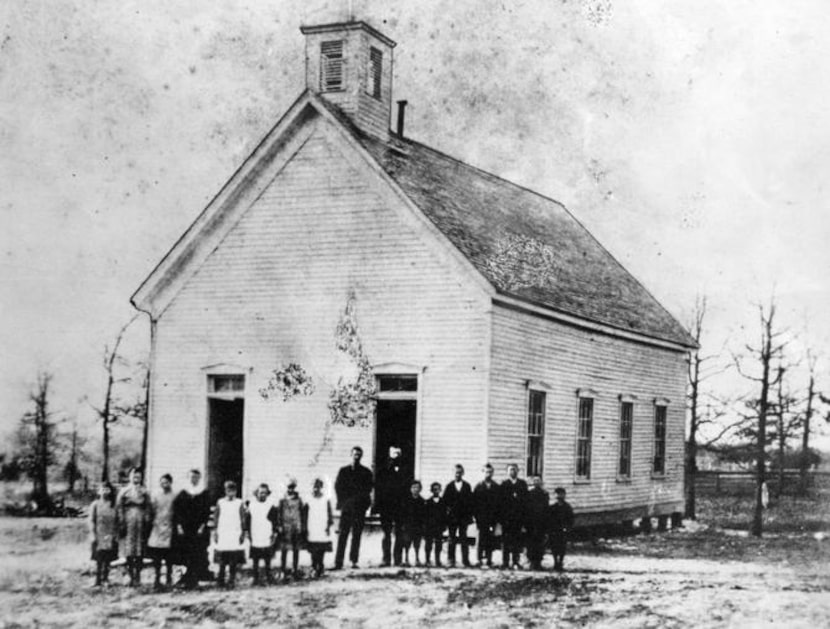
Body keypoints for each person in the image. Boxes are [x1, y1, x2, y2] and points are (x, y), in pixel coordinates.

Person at [333, 446, 373, 570]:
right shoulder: (343, 471)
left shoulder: (366, 472)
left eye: (359, 455)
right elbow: (338, 487)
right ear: (351, 455)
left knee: (356, 535)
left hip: (359, 509)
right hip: (347, 508)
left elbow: (368, 490)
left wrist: (363, 505)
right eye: (355, 454)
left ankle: (353, 561)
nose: (356, 457)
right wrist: (344, 503)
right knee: (343, 534)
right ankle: (338, 562)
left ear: (361, 456)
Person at [173, 468, 212, 589]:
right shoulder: (183, 493)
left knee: (198, 551)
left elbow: (205, 512)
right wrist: (179, 526)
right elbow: (177, 511)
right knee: (185, 551)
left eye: (196, 477)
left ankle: (195, 577)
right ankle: (185, 576)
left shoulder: (203, 494)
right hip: (186, 527)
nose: (193, 479)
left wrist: (202, 526)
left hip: (198, 528)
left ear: (199, 479)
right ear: (188, 478)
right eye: (191, 477)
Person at [374, 446, 408, 567]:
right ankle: (386, 559)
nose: (396, 456)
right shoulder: (383, 471)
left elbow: (407, 489)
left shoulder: (406, 471)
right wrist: (378, 506)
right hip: (387, 506)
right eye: (394, 454)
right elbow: (378, 489)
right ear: (389, 455)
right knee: (386, 533)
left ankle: (398, 559)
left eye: (399, 454)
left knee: (399, 533)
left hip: (400, 507)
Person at [117, 467, 151, 586]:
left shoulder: (144, 491)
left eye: (138, 476)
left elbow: (148, 506)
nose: (136, 478)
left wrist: (147, 519)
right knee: (130, 549)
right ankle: (131, 575)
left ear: (141, 478)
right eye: (134, 476)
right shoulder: (124, 491)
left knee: (140, 549)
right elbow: (119, 507)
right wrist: (121, 522)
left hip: (141, 520)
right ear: (130, 477)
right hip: (128, 519)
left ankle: (138, 575)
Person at [213, 480, 246, 588]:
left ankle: (231, 579)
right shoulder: (220, 502)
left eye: (233, 490)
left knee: (233, 558)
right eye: (228, 490)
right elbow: (216, 518)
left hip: (235, 532)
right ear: (225, 491)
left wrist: (242, 533)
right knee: (222, 558)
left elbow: (242, 518)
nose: (231, 493)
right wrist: (215, 532)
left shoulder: (239, 503)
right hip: (223, 532)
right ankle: (221, 579)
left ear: (236, 491)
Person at [147, 473, 176, 590]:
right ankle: (157, 580)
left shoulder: (174, 496)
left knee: (169, 556)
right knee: (157, 555)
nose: (164, 485)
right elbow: (151, 510)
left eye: (167, 482)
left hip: (170, 526)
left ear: (170, 483)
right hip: (157, 526)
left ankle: (169, 578)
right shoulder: (155, 495)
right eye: (162, 482)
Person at [443, 464, 474, 568]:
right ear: (453, 473)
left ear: (463, 473)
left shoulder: (467, 486)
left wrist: (469, 516)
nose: (457, 474)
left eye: (460, 472)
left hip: (463, 517)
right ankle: (451, 560)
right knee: (451, 539)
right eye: (456, 472)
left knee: (463, 538)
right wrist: (447, 515)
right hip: (452, 517)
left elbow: (470, 503)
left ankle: (465, 560)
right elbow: (445, 502)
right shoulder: (449, 486)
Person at [88, 481, 119, 587]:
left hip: (110, 534)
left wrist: (115, 534)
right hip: (99, 534)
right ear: (99, 491)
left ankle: (106, 578)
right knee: (99, 558)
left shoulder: (113, 505)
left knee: (108, 558)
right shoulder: (95, 505)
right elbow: (91, 520)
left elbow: (117, 521)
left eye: (107, 489)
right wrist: (93, 534)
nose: (105, 492)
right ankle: (97, 579)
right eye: (103, 489)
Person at [248, 483, 279, 585]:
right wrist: (247, 533)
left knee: (267, 558)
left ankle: (268, 576)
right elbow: (248, 520)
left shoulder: (271, 506)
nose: (263, 495)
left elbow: (275, 521)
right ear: (257, 493)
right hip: (255, 533)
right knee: (255, 558)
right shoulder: (251, 505)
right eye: (261, 493)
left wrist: (274, 533)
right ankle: (256, 577)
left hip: (266, 533)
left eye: (265, 493)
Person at [500, 463, 528, 570]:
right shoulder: (504, 485)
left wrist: (523, 519)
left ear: (518, 471)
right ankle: (505, 562)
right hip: (507, 519)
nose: (513, 472)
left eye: (515, 470)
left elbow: (525, 503)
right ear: (507, 472)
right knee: (506, 542)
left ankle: (516, 561)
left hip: (518, 519)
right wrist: (502, 519)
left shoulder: (522, 484)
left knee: (517, 541)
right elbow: (500, 503)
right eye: (511, 470)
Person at [473, 463, 500, 568]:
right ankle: (478, 559)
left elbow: (498, 504)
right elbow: (474, 503)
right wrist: (476, 517)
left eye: (490, 472)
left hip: (492, 518)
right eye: (486, 472)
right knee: (480, 538)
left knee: (490, 539)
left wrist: (496, 518)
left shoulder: (496, 487)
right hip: (481, 518)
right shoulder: (478, 487)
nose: (488, 474)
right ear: (482, 472)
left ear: (492, 473)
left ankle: (489, 559)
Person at [277, 478, 305, 580]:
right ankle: (283, 569)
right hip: (285, 527)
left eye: (292, 487)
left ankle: (295, 569)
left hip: (296, 526)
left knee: (296, 549)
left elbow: (302, 513)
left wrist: (301, 526)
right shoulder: (282, 500)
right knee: (284, 549)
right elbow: (279, 514)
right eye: (289, 487)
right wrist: (279, 525)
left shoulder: (299, 500)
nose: (291, 490)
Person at [305, 478, 334, 578]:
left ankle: (320, 565)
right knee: (313, 548)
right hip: (312, 526)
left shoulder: (325, 499)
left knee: (321, 547)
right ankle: (314, 566)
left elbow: (329, 513)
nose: (316, 489)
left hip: (322, 526)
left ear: (321, 488)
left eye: (318, 487)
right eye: (314, 487)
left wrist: (329, 525)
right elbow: (304, 514)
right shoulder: (308, 500)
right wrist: (305, 527)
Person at [396, 480, 425, 566]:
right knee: (407, 543)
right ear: (410, 489)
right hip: (408, 525)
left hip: (418, 526)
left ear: (420, 489)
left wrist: (423, 525)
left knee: (417, 543)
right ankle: (406, 559)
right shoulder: (406, 501)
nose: (415, 489)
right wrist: (403, 524)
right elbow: (402, 514)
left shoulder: (422, 501)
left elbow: (424, 515)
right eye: (413, 487)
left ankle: (417, 559)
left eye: (417, 487)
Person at [525, 475, 549, 571]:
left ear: (541, 482)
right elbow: (526, 508)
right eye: (535, 480)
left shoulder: (544, 494)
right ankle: (531, 562)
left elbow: (546, 508)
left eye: (538, 480)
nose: (536, 482)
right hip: (531, 522)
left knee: (540, 543)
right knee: (531, 542)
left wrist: (546, 522)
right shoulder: (529, 493)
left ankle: (538, 562)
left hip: (541, 522)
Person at [548, 487, 575, 572]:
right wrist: (550, 529)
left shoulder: (567, 507)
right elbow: (549, 519)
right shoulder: (553, 507)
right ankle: (555, 562)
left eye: (561, 494)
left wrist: (567, 528)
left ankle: (560, 562)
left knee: (562, 547)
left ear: (564, 495)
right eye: (558, 494)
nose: (559, 496)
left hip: (563, 530)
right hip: (554, 530)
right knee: (554, 547)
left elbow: (571, 519)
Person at [423, 481, 447, 567]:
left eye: (437, 489)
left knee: (438, 544)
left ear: (440, 490)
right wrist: (425, 526)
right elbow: (425, 515)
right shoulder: (428, 502)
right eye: (434, 489)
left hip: (439, 527)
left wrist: (444, 525)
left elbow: (444, 515)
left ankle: (438, 560)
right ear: (431, 491)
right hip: (430, 527)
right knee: (428, 544)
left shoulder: (443, 502)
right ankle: (427, 559)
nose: (436, 491)